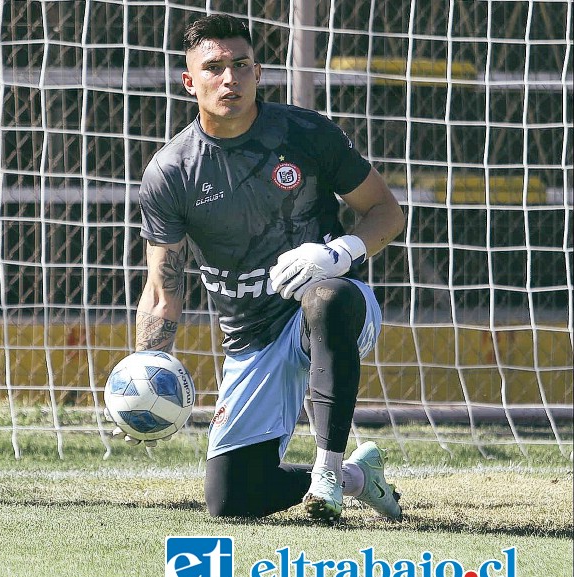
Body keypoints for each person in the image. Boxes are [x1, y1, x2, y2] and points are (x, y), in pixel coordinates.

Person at [115, 13, 405, 522]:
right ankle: (360, 477)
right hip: (251, 338)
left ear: (258, 72)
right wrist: (145, 373)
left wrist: (340, 253)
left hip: (332, 312)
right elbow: (163, 289)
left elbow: (386, 211)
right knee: (232, 501)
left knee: (328, 296)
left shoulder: (306, 134)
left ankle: (328, 473)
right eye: (214, 67)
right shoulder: (171, 171)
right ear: (189, 81)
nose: (230, 78)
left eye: (241, 65)